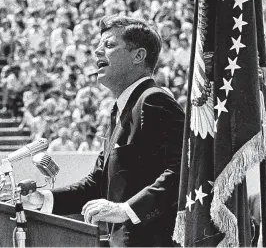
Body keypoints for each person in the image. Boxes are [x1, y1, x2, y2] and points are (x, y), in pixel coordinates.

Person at [22, 15, 185, 247]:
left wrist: (127, 209)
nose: (97, 52)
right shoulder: (121, 109)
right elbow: (99, 183)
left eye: (108, 45)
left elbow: (183, 169)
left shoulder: (153, 100)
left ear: (138, 56)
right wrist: (44, 199)